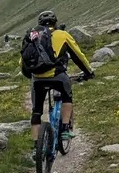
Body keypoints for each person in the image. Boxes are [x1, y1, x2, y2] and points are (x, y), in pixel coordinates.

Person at [22, 11, 94, 151]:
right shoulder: (62, 34)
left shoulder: (32, 36)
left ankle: (37, 148)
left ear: (39, 24)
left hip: (37, 80)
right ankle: (65, 128)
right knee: (67, 96)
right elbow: (78, 55)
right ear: (55, 23)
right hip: (58, 77)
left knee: (36, 112)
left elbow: (23, 61)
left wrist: (32, 76)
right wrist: (88, 72)